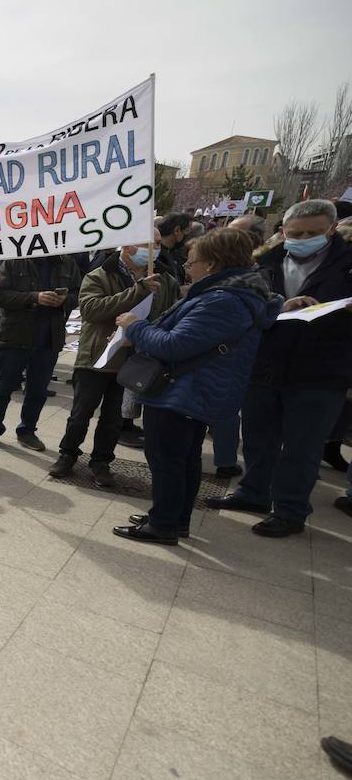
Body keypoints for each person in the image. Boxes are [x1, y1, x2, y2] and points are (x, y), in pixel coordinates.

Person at [112, 228, 282, 545]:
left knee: (167, 461)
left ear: (213, 264)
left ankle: (163, 525)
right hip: (196, 389)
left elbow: (174, 345)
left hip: (184, 390)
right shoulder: (235, 293)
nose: (188, 269)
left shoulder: (223, 300)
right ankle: (174, 519)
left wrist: (135, 327)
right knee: (184, 459)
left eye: (192, 262)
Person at [206, 200, 352, 536]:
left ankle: (290, 509)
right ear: (283, 232)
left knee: (302, 446)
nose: (303, 238)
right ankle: (253, 493)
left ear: (330, 230)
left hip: (320, 372)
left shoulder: (346, 266)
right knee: (258, 438)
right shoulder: (263, 263)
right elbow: (241, 306)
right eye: (296, 233)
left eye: (313, 233)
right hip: (266, 365)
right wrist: (278, 306)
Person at [49, 240, 179, 486]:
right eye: (147, 243)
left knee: (114, 418)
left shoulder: (167, 281)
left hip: (135, 360)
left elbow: (169, 317)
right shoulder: (99, 275)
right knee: (80, 413)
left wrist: (139, 333)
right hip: (97, 357)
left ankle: (101, 461)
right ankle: (68, 454)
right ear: (128, 246)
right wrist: (138, 291)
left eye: (158, 243)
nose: (155, 248)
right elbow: (91, 310)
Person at [0, 254, 81, 450]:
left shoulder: (67, 264)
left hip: (48, 338)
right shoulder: (12, 260)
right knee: (3, 387)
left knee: (37, 390)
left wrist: (64, 300)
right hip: (14, 336)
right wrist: (34, 297)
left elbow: (79, 294)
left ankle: (27, 431)